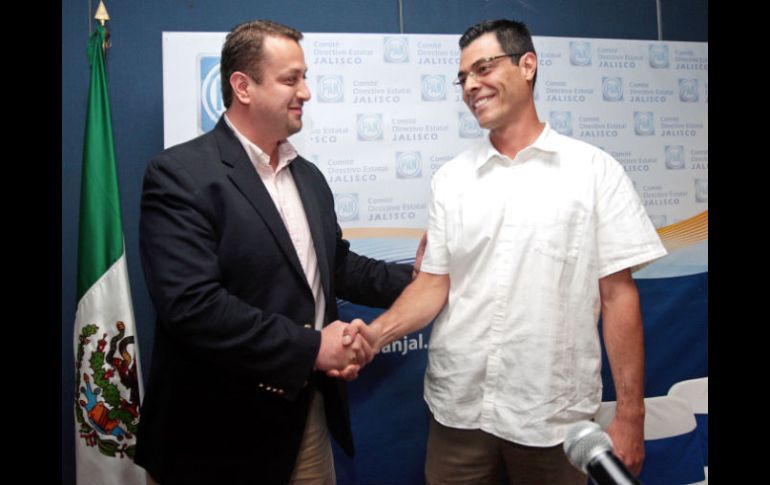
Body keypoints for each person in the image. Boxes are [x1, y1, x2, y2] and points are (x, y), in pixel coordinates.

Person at [345, 19, 668, 485]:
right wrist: (375, 337)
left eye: (483, 68)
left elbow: (619, 296)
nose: (471, 85)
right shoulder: (451, 180)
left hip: (553, 420)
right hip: (459, 413)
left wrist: (631, 417)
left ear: (528, 66)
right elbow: (434, 284)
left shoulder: (595, 172)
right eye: (463, 78)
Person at [135, 19, 421, 485]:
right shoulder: (180, 175)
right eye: (291, 79)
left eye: (304, 77)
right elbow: (191, 306)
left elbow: (335, 265)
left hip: (303, 419)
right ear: (242, 86)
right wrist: (314, 348)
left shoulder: (307, 176)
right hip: (214, 437)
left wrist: (420, 282)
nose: (305, 92)